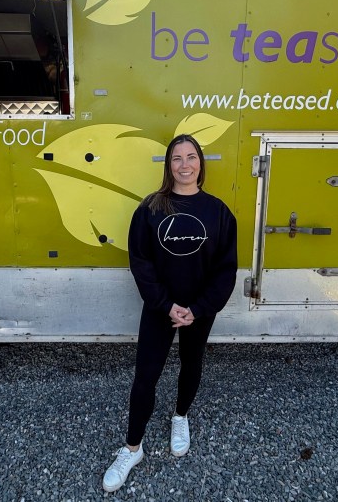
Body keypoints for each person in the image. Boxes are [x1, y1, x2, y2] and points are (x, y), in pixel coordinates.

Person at [102, 134, 238, 492]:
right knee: (145, 377)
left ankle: (180, 417)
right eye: (176, 158)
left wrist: (197, 308)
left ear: (200, 163)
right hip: (161, 308)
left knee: (192, 364)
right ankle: (132, 448)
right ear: (168, 166)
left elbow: (225, 269)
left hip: (198, 311)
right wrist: (167, 305)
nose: (184, 165)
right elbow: (140, 262)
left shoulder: (219, 211)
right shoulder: (150, 208)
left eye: (191, 157)